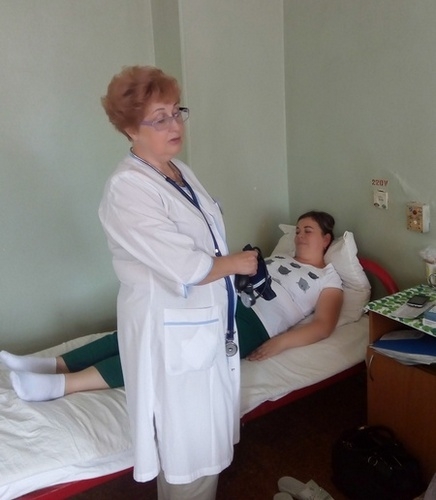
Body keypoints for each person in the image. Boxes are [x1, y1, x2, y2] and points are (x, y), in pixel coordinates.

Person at [3, 210, 343, 397]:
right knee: (144, 327)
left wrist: (279, 343)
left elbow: (323, 325)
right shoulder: (277, 257)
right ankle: (52, 365)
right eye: (298, 229)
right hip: (224, 300)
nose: (299, 235)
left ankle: (63, 385)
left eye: (308, 231)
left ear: (326, 239)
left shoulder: (328, 279)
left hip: (255, 325)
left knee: (163, 350)